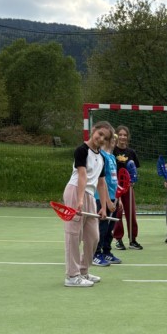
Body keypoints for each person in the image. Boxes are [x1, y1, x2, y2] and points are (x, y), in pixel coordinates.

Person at [62, 121, 112, 287]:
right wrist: (79, 200)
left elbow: (102, 183)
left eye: (105, 138)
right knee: (74, 235)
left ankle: (83, 271)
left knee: (93, 237)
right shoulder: (81, 150)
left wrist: (103, 207)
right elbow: (82, 175)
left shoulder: (102, 157)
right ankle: (72, 276)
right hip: (75, 192)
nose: (101, 139)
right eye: (100, 134)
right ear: (93, 130)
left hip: (90, 196)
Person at [93, 130, 122, 266]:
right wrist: (107, 201)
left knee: (110, 227)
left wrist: (117, 198)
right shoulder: (101, 156)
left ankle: (106, 251)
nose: (114, 141)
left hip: (113, 197)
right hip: (102, 198)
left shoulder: (112, 157)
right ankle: (96, 253)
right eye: (111, 139)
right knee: (102, 227)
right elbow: (102, 181)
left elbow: (114, 181)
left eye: (115, 139)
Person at [112, 124, 143, 250]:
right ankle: (118, 239)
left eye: (125, 135)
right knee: (118, 213)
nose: (122, 137)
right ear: (116, 136)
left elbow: (134, 170)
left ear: (128, 137)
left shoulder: (131, 152)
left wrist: (133, 180)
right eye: (120, 135)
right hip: (116, 186)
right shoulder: (112, 151)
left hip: (128, 187)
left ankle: (132, 240)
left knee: (131, 213)